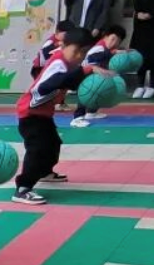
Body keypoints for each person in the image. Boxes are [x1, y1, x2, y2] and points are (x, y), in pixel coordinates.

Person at [12, 27, 108, 205]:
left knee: (53, 143)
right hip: (30, 114)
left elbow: (69, 80)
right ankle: (23, 188)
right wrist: (85, 71)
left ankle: (45, 172)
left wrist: (86, 74)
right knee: (37, 149)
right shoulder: (58, 63)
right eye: (76, 51)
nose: (79, 56)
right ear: (63, 46)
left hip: (43, 114)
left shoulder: (68, 63)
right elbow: (49, 85)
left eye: (83, 52)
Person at [72, 24, 127, 127]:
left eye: (118, 41)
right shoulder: (98, 49)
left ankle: (91, 112)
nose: (114, 42)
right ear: (105, 36)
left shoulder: (105, 47)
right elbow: (91, 66)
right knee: (86, 94)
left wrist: (119, 52)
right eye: (113, 39)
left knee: (99, 90)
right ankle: (77, 118)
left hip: (94, 74)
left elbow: (110, 53)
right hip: (84, 74)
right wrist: (107, 72)